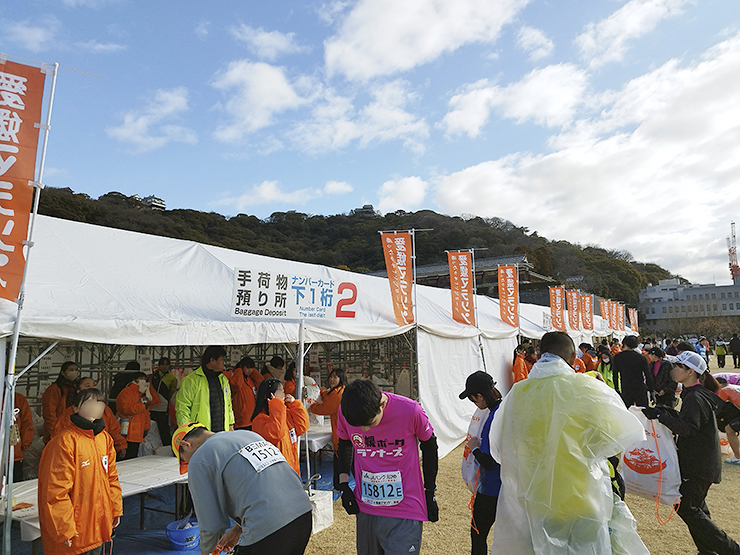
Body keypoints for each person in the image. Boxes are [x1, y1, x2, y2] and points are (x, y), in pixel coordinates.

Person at [488, 331, 645, 554]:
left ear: (541, 355)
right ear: (573, 357)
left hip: (536, 498)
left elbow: (500, 445)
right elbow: (620, 435)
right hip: (582, 495)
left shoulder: (519, 393)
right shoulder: (586, 388)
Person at [643, 351, 740, 555]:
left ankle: (731, 549)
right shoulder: (694, 393)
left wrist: (661, 416)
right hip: (701, 462)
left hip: (700, 464)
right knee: (696, 508)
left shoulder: (695, 396)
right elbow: (690, 420)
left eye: (679, 366)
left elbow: (687, 428)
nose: (674, 369)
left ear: (690, 372)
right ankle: (707, 551)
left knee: (688, 508)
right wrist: (667, 412)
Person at [172, 422, 313, 555]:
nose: (189, 463)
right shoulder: (249, 435)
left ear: (186, 444)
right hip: (303, 516)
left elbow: (211, 524)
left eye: (185, 460)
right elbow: (265, 488)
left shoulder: (199, 457)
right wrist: (237, 529)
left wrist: (206, 551)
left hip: (267, 531)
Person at [336, 379, 439, 555]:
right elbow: (345, 444)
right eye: (358, 426)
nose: (364, 430)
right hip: (366, 507)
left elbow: (429, 446)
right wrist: (343, 485)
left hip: (405, 508)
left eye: (370, 422)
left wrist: (429, 492)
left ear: (382, 405)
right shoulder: (348, 410)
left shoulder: (410, 410)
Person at [38, 388, 123, 555]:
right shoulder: (65, 442)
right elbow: (55, 491)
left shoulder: (104, 439)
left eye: (98, 402)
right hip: (75, 532)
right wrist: (64, 528)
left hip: (98, 527)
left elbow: (111, 478)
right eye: (88, 402)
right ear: (75, 408)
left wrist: (115, 509)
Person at [460, 372, 502, 555]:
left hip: (490, 490)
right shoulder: (503, 409)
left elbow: (489, 462)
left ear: (480, 396)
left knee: (478, 535)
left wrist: (475, 448)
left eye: (473, 400)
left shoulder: (492, 418)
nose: (475, 405)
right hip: (507, 488)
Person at [54, 377, 128, 459]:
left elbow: (114, 429)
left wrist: (120, 444)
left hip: (101, 453)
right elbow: (58, 437)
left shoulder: (105, 413)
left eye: (93, 385)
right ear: (78, 391)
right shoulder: (69, 415)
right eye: (87, 386)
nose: (92, 388)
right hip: (79, 456)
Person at [250, 378, 309, 475]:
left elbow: (302, 427)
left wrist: (295, 404)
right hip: (275, 473)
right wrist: (276, 404)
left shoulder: (284, 414)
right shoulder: (259, 419)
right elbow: (276, 434)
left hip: (291, 466)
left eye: (283, 391)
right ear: (268, 395)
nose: (283, 395)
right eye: (280, 392)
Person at [176, 346, 235, 432]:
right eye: (222, 359)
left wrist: (230, 424)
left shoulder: (223, 379)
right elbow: (182, 408)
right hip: (200, 434)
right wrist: (186, 431)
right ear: (212, 360)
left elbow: (228, 404)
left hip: (222, 433)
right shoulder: (191, 380)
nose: (223, 362)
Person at [308, 368, 347, 489]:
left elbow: (323, 408)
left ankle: (340, 486)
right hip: (343, 431)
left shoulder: (337, 394)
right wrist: (316, 390)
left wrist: (310, 404)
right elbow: (327, 395)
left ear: (341, 379)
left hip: (341, 433)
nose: (332, 379)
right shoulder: (339, 391)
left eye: (335, 377)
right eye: (331, 376)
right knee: (342, 460)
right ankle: (339, 486)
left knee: (341, 461)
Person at [116, 372, 160, 459]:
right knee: (127, 456)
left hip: (136, 431)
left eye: (145, 379)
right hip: (128, 431)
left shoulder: (142, 394)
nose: (143, 381)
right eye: (141, 378)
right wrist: (142, 405)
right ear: (134, 380)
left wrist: (146, 428)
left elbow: (146, 413)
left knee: (132, 455)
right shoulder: (127, 392)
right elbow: (126, 408)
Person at [222, 356, 263, 431]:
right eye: (247, 368)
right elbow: (236, 385)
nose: (250, 370)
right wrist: (238, 370)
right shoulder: (236, 379)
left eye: (251, 368)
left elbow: (261, 382)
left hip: (251, 419)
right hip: (241, 420)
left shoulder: (250, 379)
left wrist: (253, 371)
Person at [41, 361, 79, 442]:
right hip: (57, 429)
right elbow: (49, 413)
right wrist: (54, 432)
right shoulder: (54, 389)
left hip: (73, 429)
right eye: (71, 370)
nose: (75, 372)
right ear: (62, 372)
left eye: (76, 370)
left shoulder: (76, 388)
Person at [612, 335, 654, 407]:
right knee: (643, 412)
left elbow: (615, 374)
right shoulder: (642, 358)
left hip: (625, 388)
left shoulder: (617, 357)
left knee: (627, 413)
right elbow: (648, 375)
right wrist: (651, 390)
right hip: (639, 387)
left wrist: (616, 388)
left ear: (624, 344)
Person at [150, 356, 177, 446]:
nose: (164, 367)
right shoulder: (154, 375)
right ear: (159, 365)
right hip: (152, 405)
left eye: (166, 365)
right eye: (162, 365)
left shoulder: (172, 378)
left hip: (164, 405)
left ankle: (166, 445)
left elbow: (172, 391)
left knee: (163, 426)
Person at [716, 377, 740, 465]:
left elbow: (718, 409)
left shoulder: (724, 390)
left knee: (729, 429)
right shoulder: (734, 387)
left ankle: (738, 457)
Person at [11, 391, 34, 482]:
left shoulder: (18, 399)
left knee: (14, 486)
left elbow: (27, 422)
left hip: (14, 452)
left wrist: (26, 441)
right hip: (14, 451)